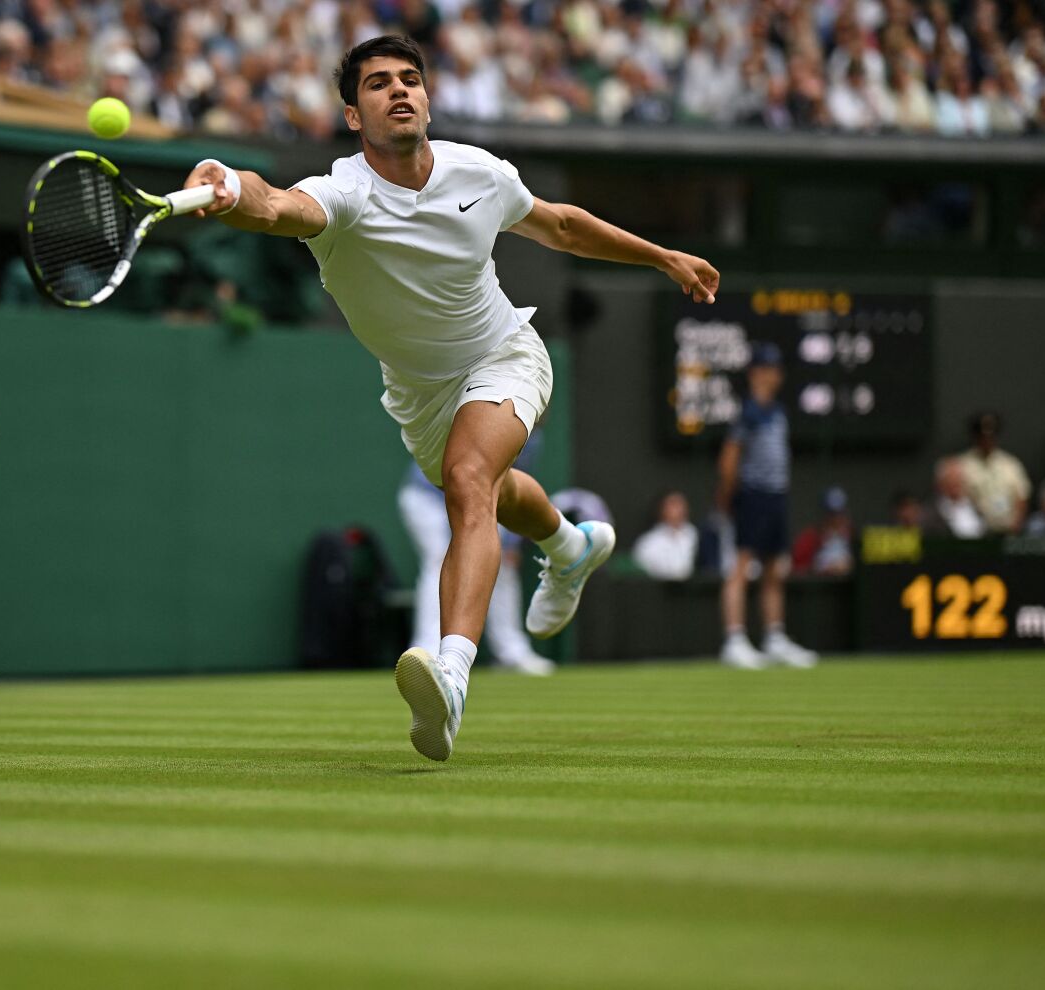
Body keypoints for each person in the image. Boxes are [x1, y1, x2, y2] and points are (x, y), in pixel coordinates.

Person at [181, 35, 719, 761]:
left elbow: (560, 224)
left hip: (505, 354)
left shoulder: (479, 172)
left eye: (410, 79)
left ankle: (452, 673)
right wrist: (230, 187)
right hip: (418, 394)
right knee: (491, 488)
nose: (399, 91)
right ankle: (570, 544)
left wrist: (662, 256)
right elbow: (276, 206)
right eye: (378, 84)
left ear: (428, 97)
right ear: (352, 114)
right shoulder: (344, 193)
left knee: (469, 481)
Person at [398, 461, 555, 677]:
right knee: (440, 560)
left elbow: (517, 485)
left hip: (484, 499)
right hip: (429, 497)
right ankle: (427, 650)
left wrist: (511, 542)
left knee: (502, 565)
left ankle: (511, 652)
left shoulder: (533, 438)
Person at [715, 343, 817, 670]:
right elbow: (729, 461)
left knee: (775, 568)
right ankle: (734, 640)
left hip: (776, 497)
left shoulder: (778, 411)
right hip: (752, 495)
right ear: (754, 373)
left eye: (775, 369)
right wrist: (730, 496)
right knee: (742, 566)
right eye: (766, 369)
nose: (772, 376)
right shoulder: (748, 412)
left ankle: (774, 638)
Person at [958, 411, 1031, 534]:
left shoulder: (1010, 464)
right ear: (975, 437)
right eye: (983, 437)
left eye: (991, 436)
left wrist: (1017, 524)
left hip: (1008, 529)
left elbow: (1022, 496)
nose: (987, 441)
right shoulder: (962, 464)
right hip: (977, 530)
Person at [632, 490, 697, 581]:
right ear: (662, 509)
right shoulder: (647, 543)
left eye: (680, 505)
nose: (678, 510)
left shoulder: (695, 536)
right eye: (673, 505)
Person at [791, 486, 854, 576]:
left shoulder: (853, 537)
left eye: (839, 513)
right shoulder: (810, 538)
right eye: (832, 514)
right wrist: (821, 569)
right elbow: (797, 569)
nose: (836, 518)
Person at [930, 455, 986, 538]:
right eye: (951, 480)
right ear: (941, 483)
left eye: (959, 478)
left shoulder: (976, 506)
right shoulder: (933, 512)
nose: (956, 484)